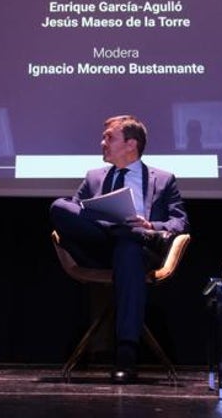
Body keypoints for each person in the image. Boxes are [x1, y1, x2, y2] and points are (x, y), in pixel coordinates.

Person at [49, 114, 190, 384]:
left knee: (127, 246)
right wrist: (112, 221)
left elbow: (180, 222)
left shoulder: (162, 179)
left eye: (109, 137)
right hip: (97, 248)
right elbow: (74, 213)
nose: (102, 142)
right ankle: (129, 231)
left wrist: (150, 224)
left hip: (136, 253)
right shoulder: (93, 177)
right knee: (59, 206)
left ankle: (126, 355)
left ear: (131, 144)